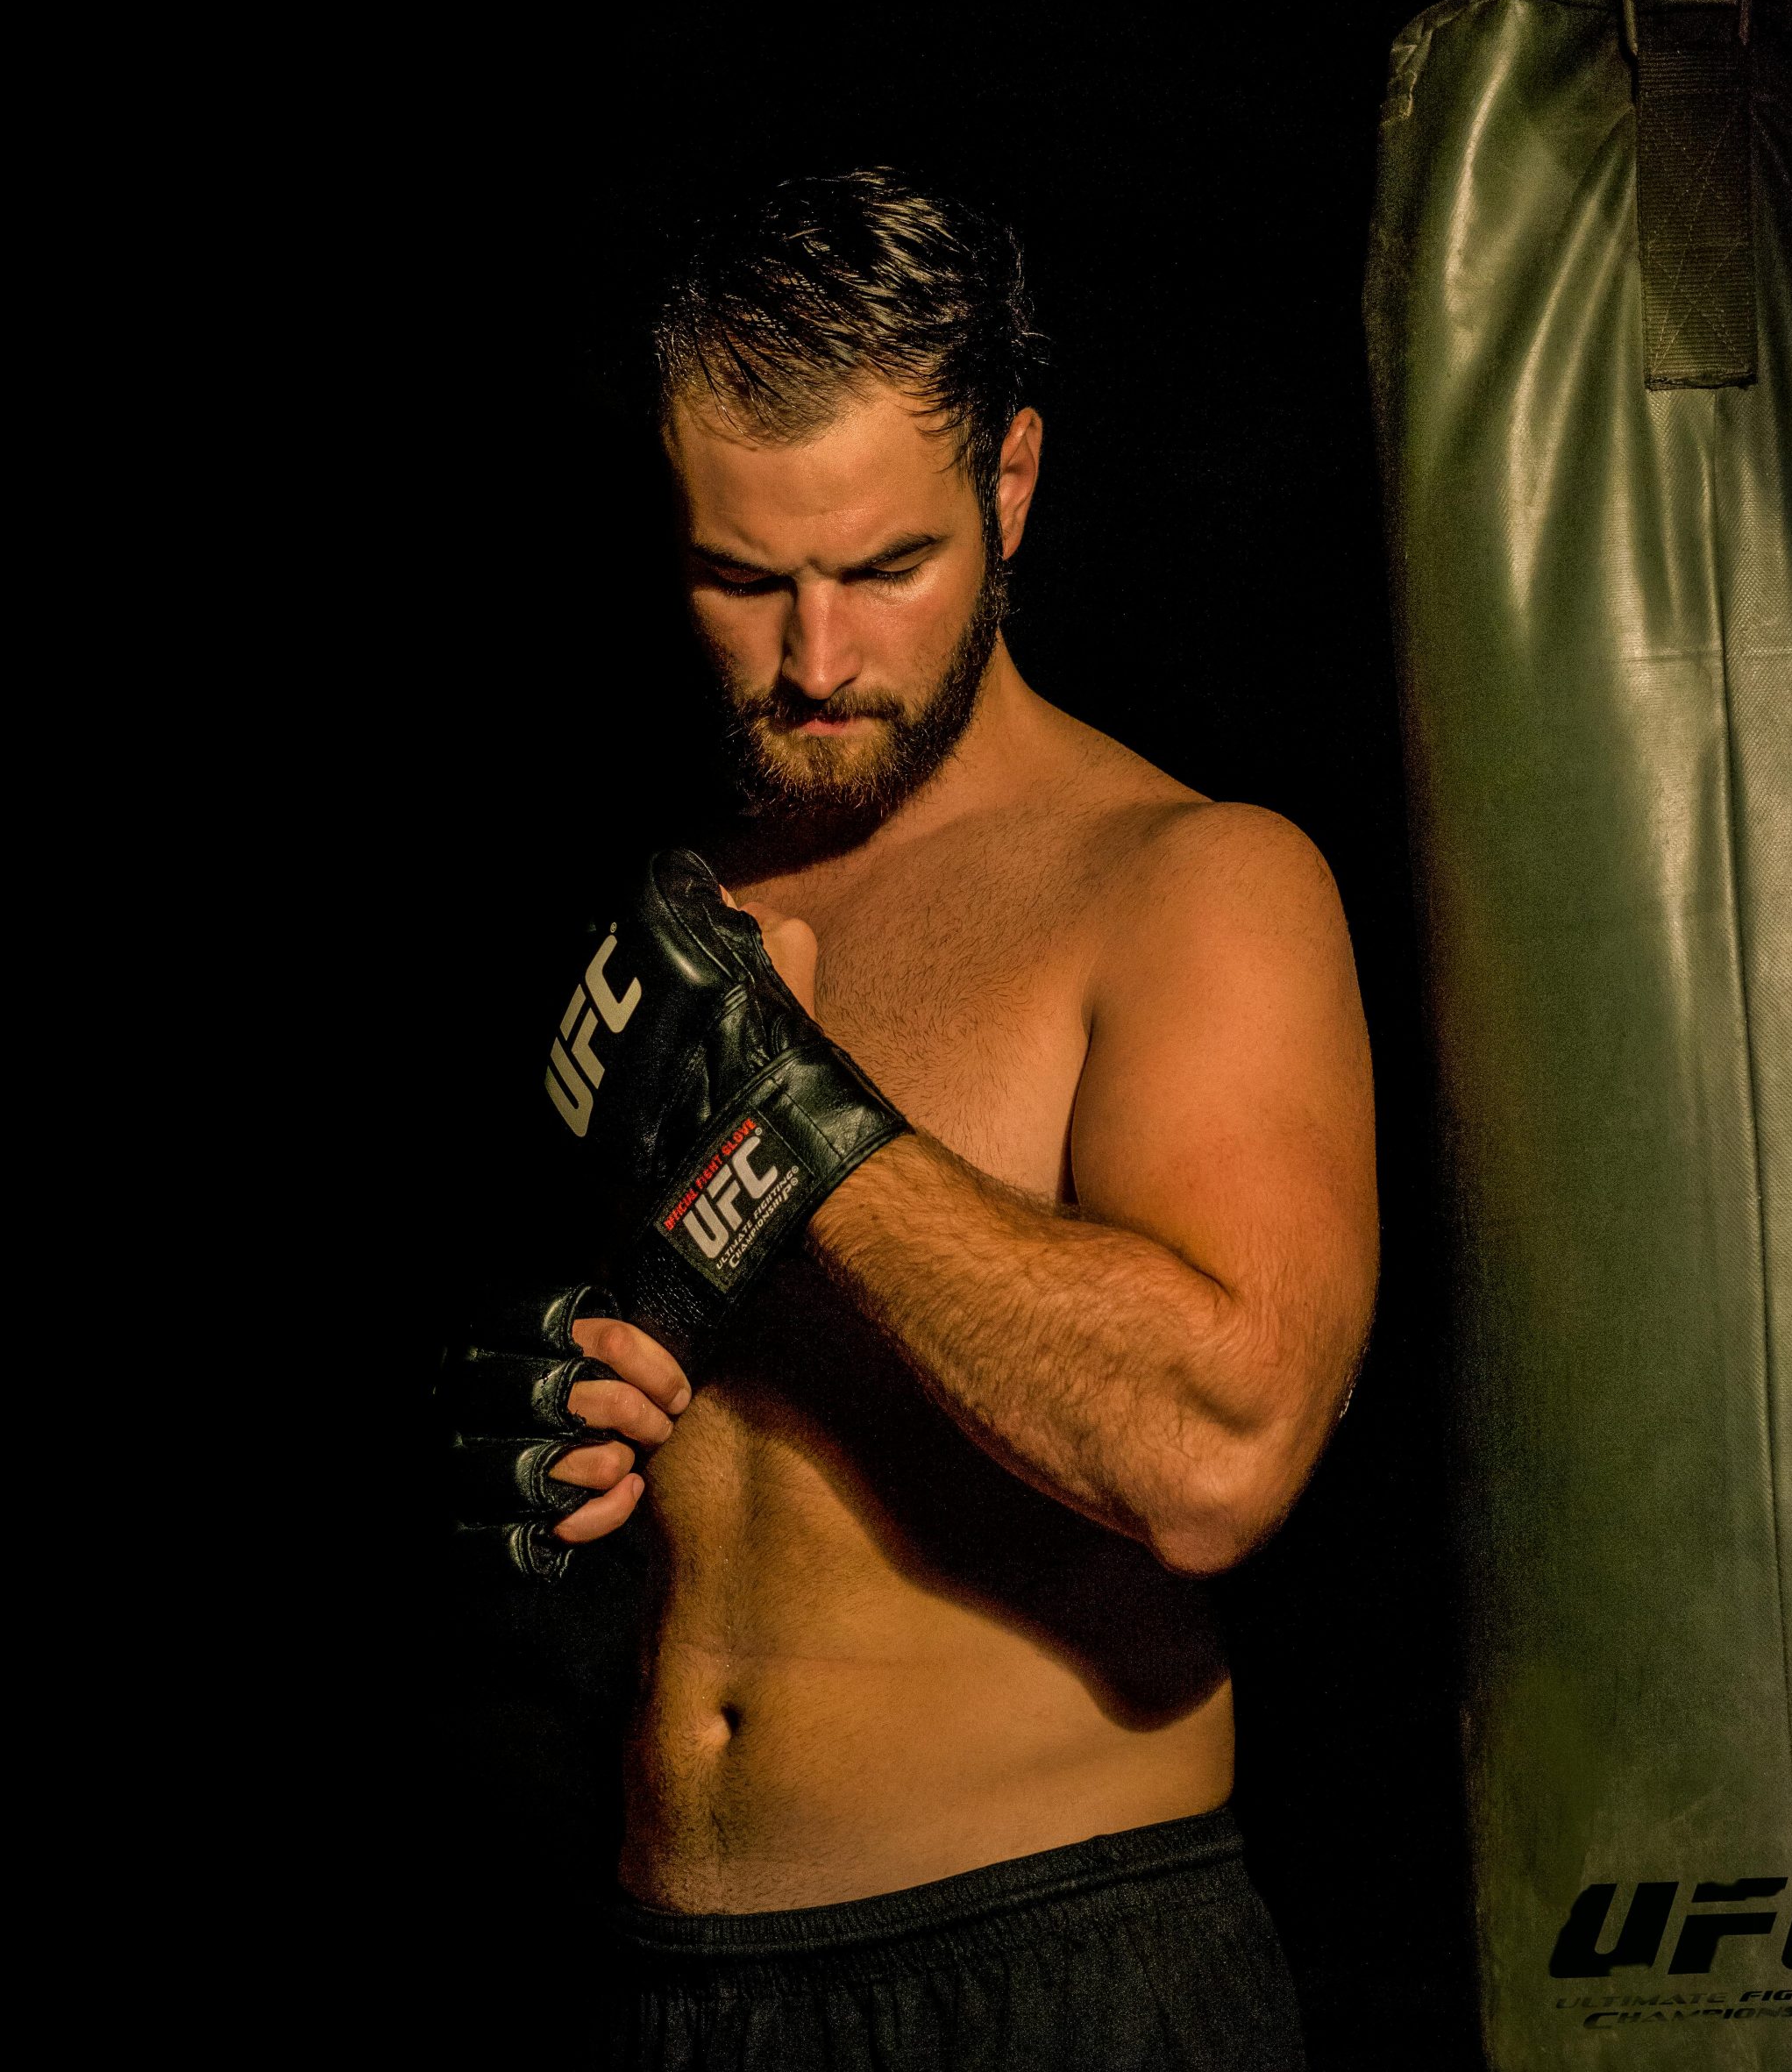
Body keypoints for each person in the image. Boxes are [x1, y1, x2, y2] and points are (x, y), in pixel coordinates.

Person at [479, 168, 1377, 2069]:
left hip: (1046, 1967)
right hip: (661, 1977)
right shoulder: (675, 913)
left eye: (886, 568)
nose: (816, 661)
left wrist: (801, 1133)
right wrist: (532, 1453)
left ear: (1011, 483)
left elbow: (1218, 1448)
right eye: (745, 582)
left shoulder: (1189, 881)